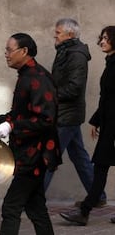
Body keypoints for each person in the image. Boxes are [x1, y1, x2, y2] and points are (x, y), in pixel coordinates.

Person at [0, 33, 61, 235]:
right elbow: (16, 115)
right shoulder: (27, 76)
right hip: (28, 154)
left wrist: (11, 127)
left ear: (24, 51)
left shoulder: (38, 78)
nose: (5, 54)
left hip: (36, 155)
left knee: (10, 207)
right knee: (36, 208)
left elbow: (46, 119)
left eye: (9, 50)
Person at [44, 18, 106, 207]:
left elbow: (74, 88)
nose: (55, 35)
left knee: (49, 156)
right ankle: (99, 196)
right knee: (79, 156)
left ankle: (34, 198)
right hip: (65, 113)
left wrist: (49, 96)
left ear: (70, 34)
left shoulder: (76, 55)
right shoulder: (65, 51)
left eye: (58, 32)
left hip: (67, 116)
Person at [60, 26, 115, 226]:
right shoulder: (111, 63)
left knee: (100, 168)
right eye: (101, 38)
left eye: (106, 38)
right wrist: (96, 120)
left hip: (113, 129)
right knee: (99, 168)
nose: (102, 41)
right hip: (109, 126)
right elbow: (107, 99)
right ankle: (85, 210)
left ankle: (84, 211)